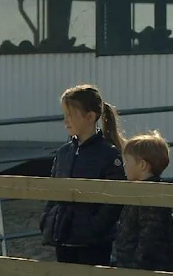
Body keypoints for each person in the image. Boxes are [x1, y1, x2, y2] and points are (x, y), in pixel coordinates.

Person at [39, 84, 126, 266]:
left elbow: (114, 201)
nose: (66, 121)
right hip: (63, 235)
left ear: (90, 117)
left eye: (70, 115)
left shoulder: (108, 154)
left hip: (94, 243)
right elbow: (53, 190)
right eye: (65, 115)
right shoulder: (63, 153)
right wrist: (48, 217)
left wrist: (94, 228)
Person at [113, 130, 173, 271]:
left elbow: (150, 236)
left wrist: (136, 265)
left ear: (142, 165)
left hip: (143, 267)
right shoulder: (139, 192)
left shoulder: (150, 196)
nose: (124, 166)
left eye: (127, 161)